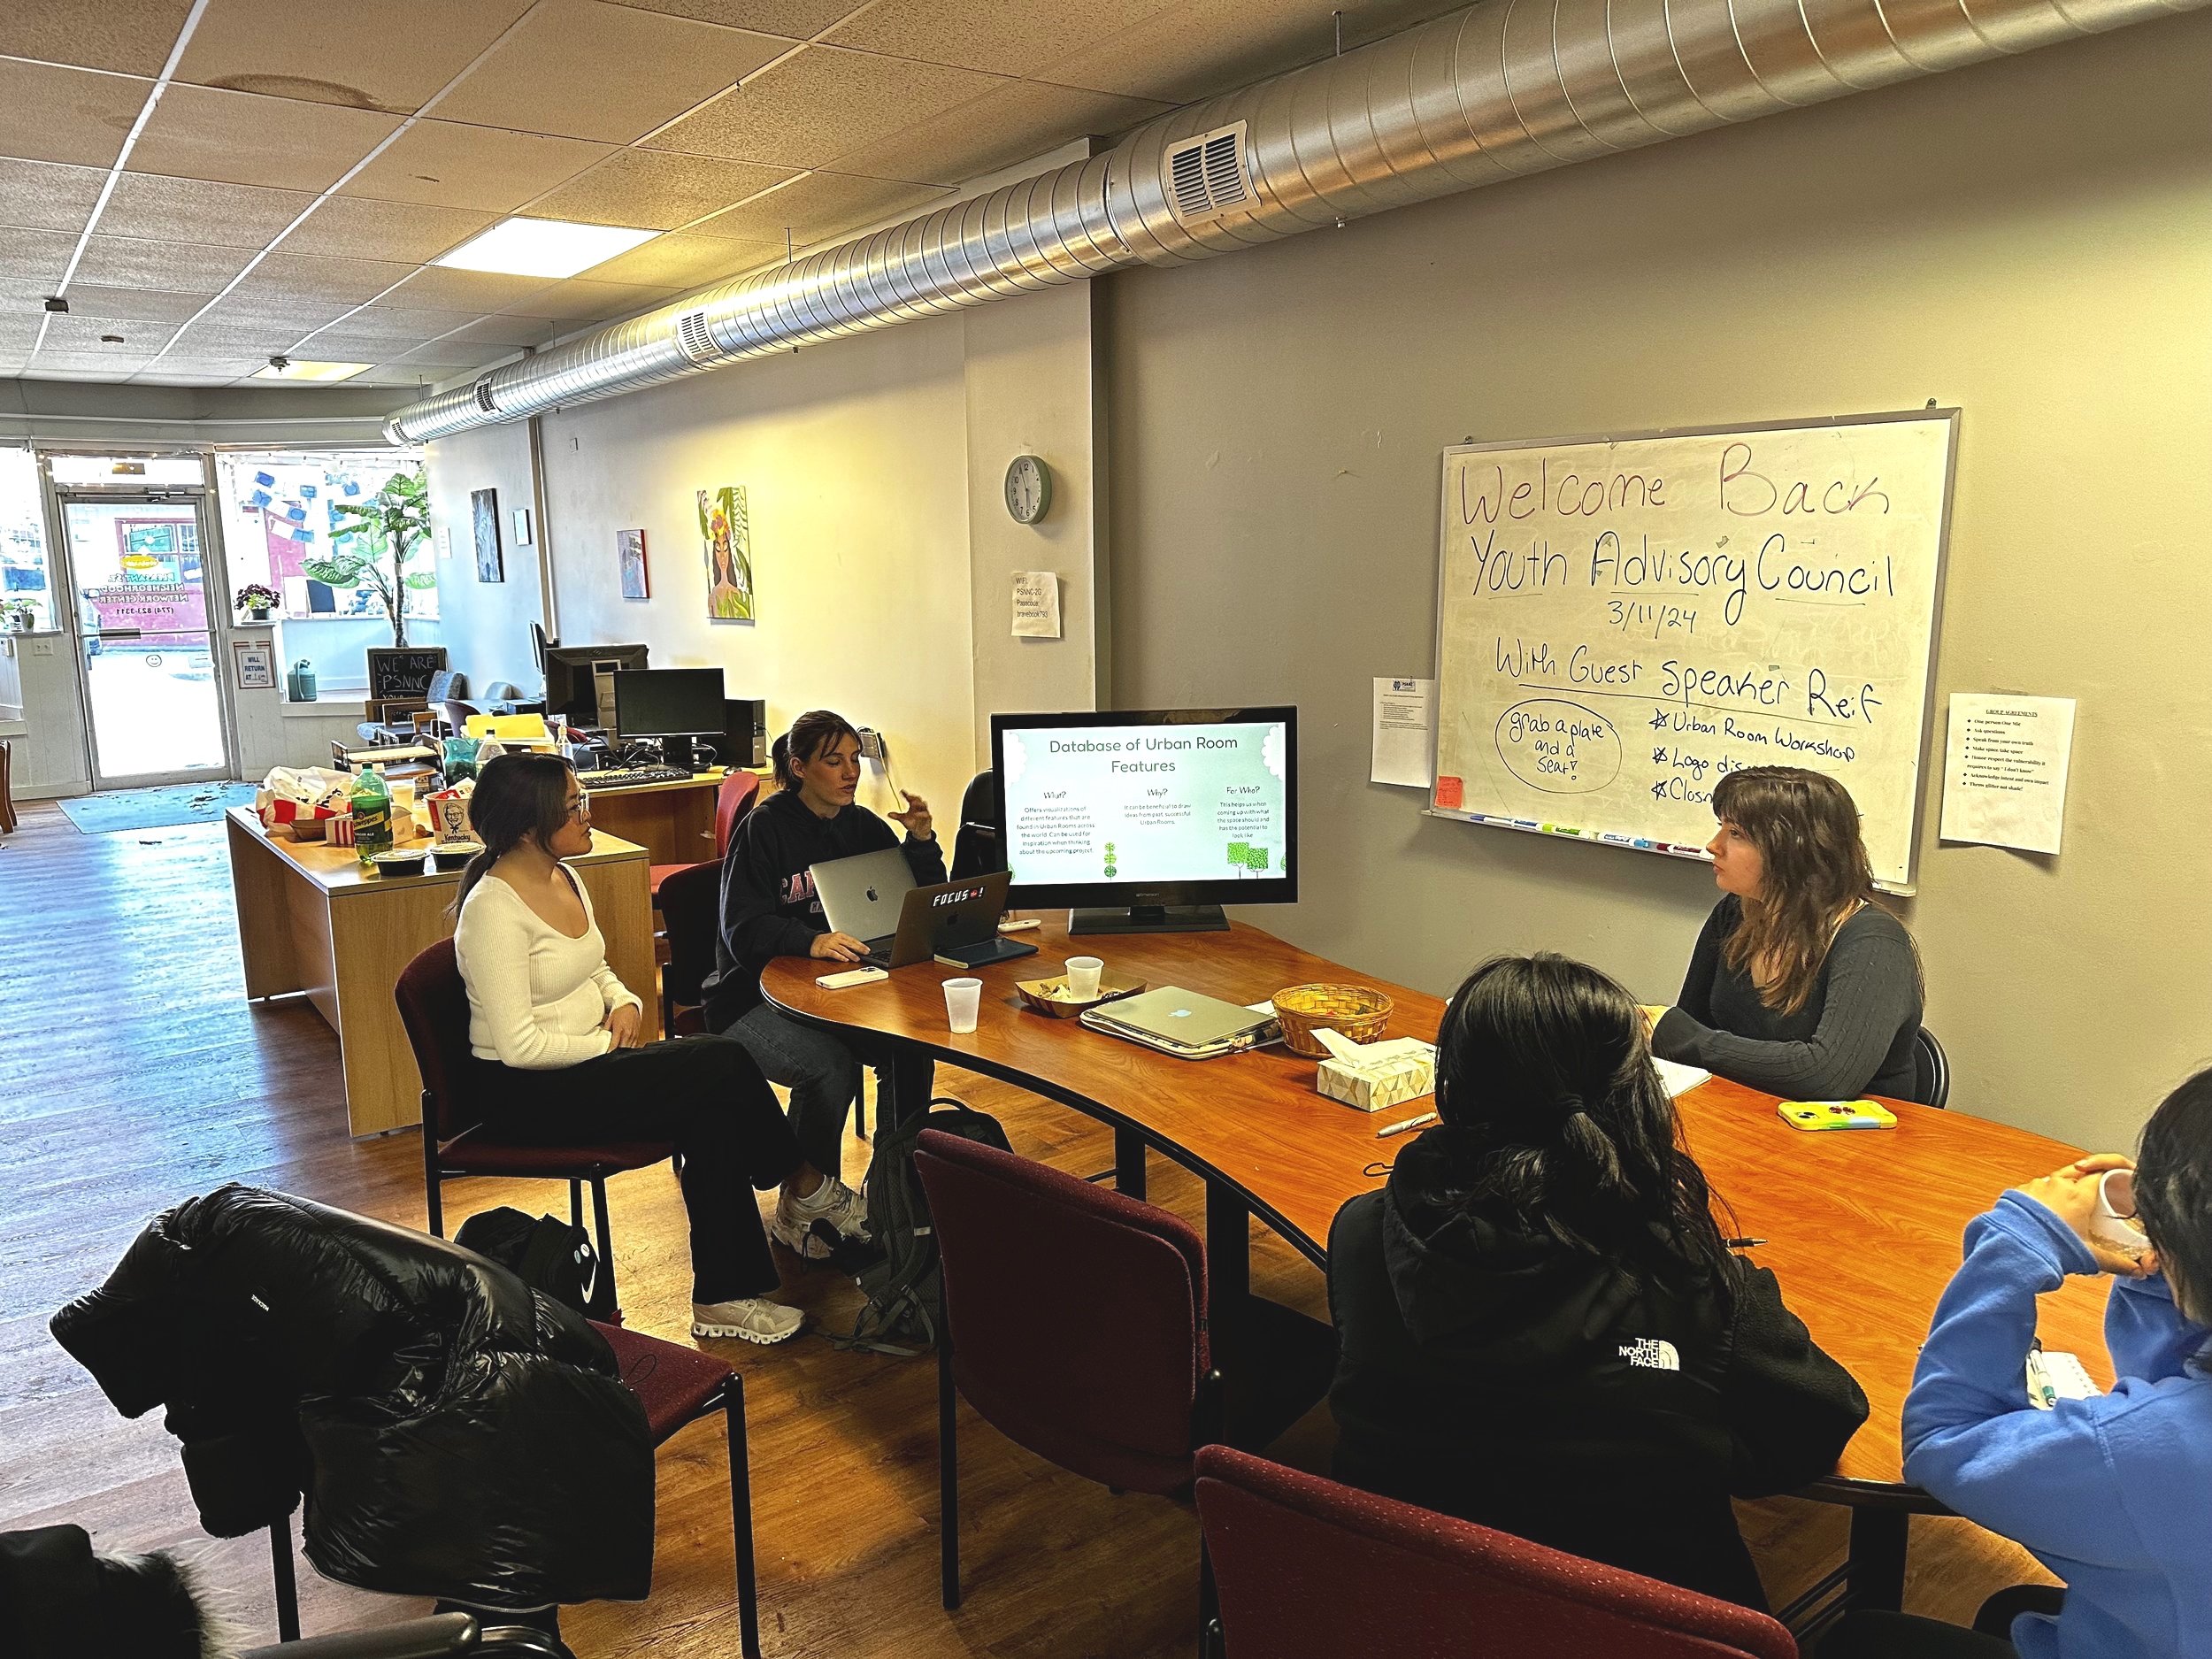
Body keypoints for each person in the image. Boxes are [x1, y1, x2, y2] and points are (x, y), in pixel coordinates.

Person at [1329, 953, 1868, 1609]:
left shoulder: (1364, 1233)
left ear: (1454, 1089)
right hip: (1639, 1626)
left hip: (1403, 1608)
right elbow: (1820, 1419)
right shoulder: (1687, 1278)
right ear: (1638, 1096)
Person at [451, 752, 867, 1343]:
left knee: (712, 1111)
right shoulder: (492, 909)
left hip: (584, 1065)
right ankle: (806, 1183)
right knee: (721, 1060)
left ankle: (722, 1299)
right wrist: (605, 1041)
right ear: (526, 826)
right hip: (526, 1092)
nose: (587, 814)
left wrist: (626, 1001)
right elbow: (519, 1047)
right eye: (573, 806)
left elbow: (595, 968)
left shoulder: (564, 877)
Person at [1822, 1071, 2212, 1659]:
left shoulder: (2155, 1449)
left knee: (1861, 1638)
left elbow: (1943, 1440)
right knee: (2008, 1609)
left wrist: (2019, 1240)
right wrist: (2168, 1263)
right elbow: (2170, 1386)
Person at [703, 710, 945, 1195]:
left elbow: (917, 902)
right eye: (834, 762)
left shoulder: (863, 826)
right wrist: (808, 940)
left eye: (855, 759)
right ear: (799, 768)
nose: (850, 772)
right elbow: (741, 929)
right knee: (829, 1068)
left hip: (839, 993)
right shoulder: (763, 828)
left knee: (908, 1052)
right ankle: (811, 1199)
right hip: (751, 997)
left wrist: (920, 842)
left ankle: (892, 1194)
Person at [1650, 765, 1923, 1101]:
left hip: (1852, 1129)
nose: (1713, 845)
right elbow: (1689, 1032)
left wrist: (1679, 1035)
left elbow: (1826, 1076)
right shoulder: (1734, 913)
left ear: (1793, 850)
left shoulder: (1874, 942)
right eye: (1721, 828)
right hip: (1750, 1109)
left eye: (1736, 833)